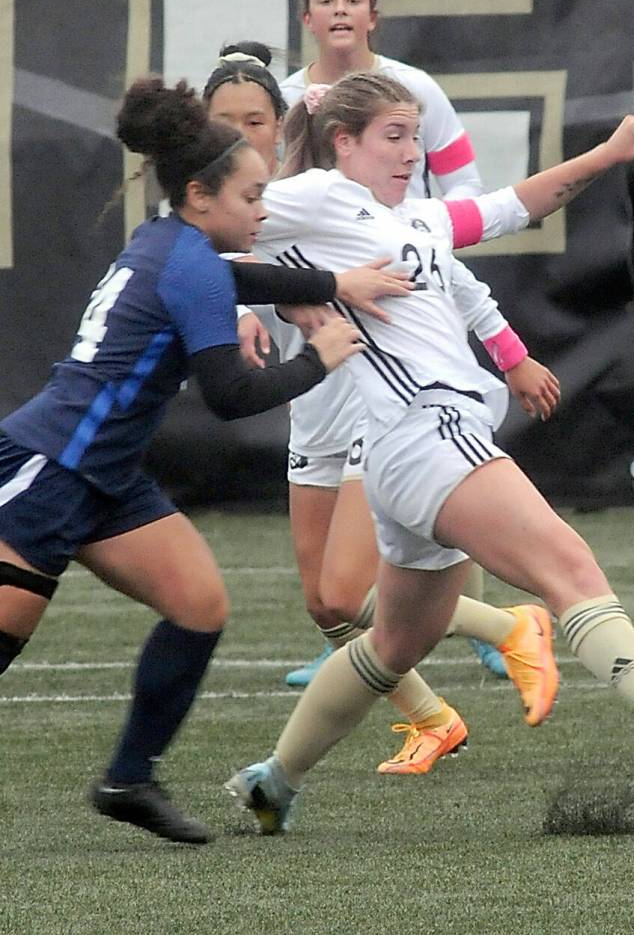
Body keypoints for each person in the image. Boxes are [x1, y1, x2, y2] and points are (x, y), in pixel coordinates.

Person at [224, 72, 634, 836]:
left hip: (403, 450)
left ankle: (274, 778)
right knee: (570, 568)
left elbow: (515, 205)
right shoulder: (320, 194)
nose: (409, 150)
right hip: (429, 431)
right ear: (342, 140)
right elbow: (195, 245)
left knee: (394, 642)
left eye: (414, 136)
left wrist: (609, 153)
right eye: (392, 135)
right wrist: (275, 297)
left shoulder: (415, 216)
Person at [0, 75, 411, 844]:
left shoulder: (171, 243)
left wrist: (331, 282)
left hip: (105, 477)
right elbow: (227, 394)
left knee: (199, 606)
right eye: (252, 197)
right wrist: (319, 355)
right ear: (200, 194)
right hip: (50, 469)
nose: (262, 212)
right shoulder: (186, 262)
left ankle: (128, 778)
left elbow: (237, 275)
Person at [205, 47, 561, 776]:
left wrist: (509, 351)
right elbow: (199, 265)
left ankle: (509, 628)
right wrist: (239, 300)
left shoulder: (332, 192)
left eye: (253, 119)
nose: (240, 132)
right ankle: (436, 717)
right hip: (315, 400)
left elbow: (448, 273)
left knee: (348, 587)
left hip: (380, 401)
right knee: (327, 604)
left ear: (281, 122)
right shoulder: (222, 200)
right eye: (222, 122)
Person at [277, 0, 508, 685]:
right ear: (307, 18)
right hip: (319, 324)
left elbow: (468, 191)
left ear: (373, 15)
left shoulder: (418, 90)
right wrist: (261, 305)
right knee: (328, 580)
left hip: (396, 315)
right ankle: (360, 629)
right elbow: (257, 214)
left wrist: (405, 235)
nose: (340, 9)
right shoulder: (286, 99)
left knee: (407, 479)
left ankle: (473, 622)